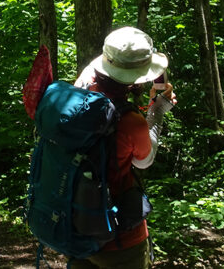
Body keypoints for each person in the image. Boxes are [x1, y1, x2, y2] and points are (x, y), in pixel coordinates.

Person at [71, 26, 176, 269]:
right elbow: (144, 161)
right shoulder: (130, 121)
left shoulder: (77, 96)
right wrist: (157, 110)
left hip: (76, 226)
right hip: (119, 237)